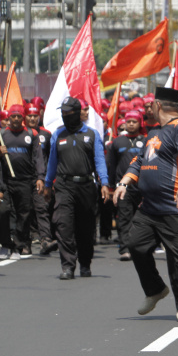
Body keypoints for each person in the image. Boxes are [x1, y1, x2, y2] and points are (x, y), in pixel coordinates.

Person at [113, 87, 178, 322]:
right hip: (149, 207)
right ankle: (155, 290)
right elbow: (139, 160)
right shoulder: (153, 132)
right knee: (135, 244)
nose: (148, 107)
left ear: (159, 106)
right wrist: (125, 182)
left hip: (175, 207)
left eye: (151, 103)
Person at [44, 97, 111, 279]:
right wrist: (48, 184)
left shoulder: (92, 134)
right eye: (63, 113)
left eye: (69, 113)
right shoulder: (58, 134)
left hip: (87, 186)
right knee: (64, 225)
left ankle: (85, 263)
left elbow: (99, 160)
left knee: (85, 228)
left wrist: (104, 182)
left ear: (78, 113)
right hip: (64, 186)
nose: (65, 116)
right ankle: (68, 266)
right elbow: (52, 162)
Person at [0, 105, 45, 256]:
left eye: (19, 116)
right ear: (9, 118)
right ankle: (7, 242)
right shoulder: (2, 135)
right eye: (13, 116)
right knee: (5, 211)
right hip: (6, 181)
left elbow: (38, 158)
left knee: (24, 213)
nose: (16, 119)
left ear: (23, 118)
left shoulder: (31, 134)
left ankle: (23, 242)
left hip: (25, 181)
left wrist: (40, 177)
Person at [106, 112, 146, 261]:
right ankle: (124, 249)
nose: (130, 124)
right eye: (128, 121)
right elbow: (112, 166)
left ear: (140, 123)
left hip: (142, 187)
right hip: (123, 187)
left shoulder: (147, 140)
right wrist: (110, 186)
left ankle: (140, 247)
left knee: (141, 219)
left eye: (134, 121)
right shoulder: (117, 142)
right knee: (124, 218)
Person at [25, 104, 56, 255]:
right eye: (29, 116)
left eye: (35, 116)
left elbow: (51, 158)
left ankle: (46, 240)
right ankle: (26, 242)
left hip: (40, 178)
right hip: (22, 178)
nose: (32, 118)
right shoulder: (20, 134)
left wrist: (49, 180)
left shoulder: (47, 134)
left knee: (41, 208)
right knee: (25, 210)